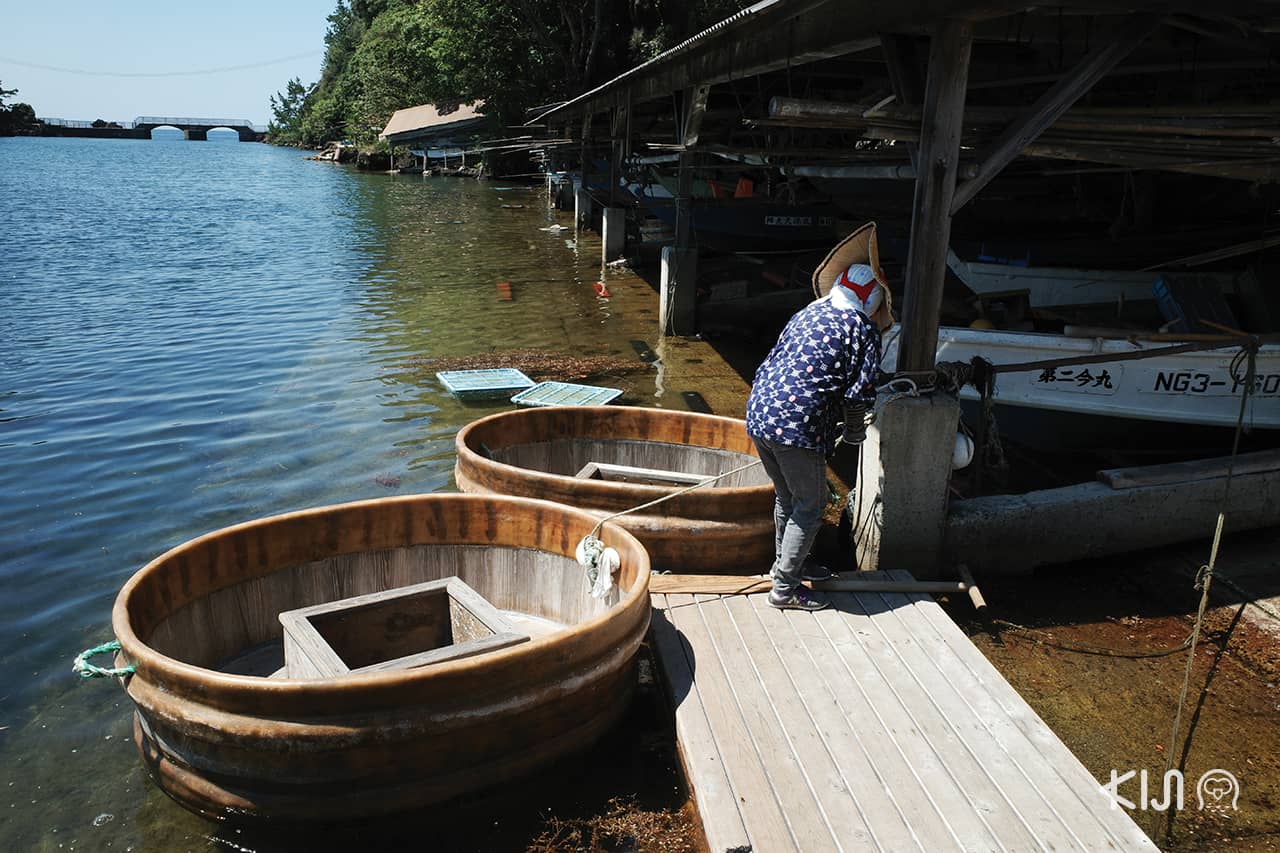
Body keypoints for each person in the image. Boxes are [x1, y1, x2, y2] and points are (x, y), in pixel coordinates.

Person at [745, 262, 887, 611]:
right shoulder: (861, 328)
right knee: (812, 504)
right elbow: (859, 394)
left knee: (788, 496)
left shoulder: (807, 313)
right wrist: (855, 432)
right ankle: (784, 589)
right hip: (797, 424)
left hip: (760, 411)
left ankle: (789, 565)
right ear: (873, 303)